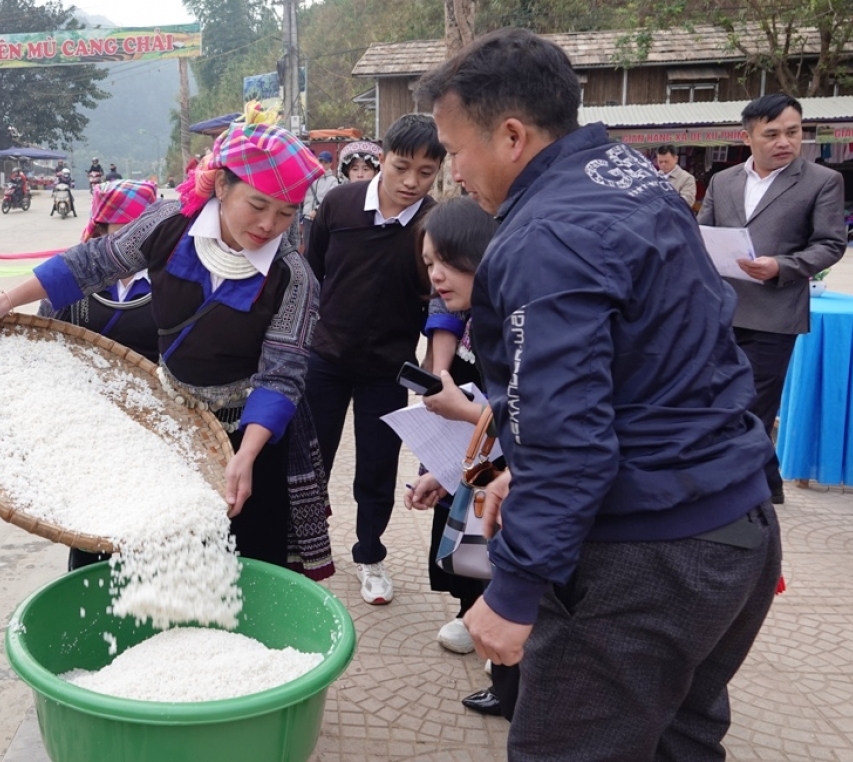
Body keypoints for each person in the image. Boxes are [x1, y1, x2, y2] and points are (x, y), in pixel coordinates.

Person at [418, 28, 781, 759]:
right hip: (737, 528)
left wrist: (515, 590)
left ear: (512, 134)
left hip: (649, 556)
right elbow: (646, 365)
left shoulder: (545, 236)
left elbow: (570, 441)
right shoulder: (630, 175)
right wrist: (511, 460)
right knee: (680, 737)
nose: (452, 173)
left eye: (455, 150)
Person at [0, 119, 335, 580]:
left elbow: (282, 372)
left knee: (239, 566)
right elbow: (92, 262)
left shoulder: (292, 276)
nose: (268, 225)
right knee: (142, 549)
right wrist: (6, 300)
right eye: (257, 205)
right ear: (221, 184)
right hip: (167, 418)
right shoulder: (171, 225)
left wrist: (247, 455)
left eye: (285, 213)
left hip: (247, 432)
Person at [305, 113, 446, 605]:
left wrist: (433, 371)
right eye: (401, 166)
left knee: (377, 466)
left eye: (425, 173)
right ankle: (306, 546)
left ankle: (370, 555)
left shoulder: (434, 224)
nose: (411, 182)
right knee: (310, 457)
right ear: (380, 157)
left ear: (439, 173)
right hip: (324, 356)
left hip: (388, 368)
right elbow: (313, 270)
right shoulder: (339, 203)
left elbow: (440, 297)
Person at [403, 198, 521, 720]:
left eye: (446, 263)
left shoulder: (519, 322)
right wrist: (445, 473)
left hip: (528, 481)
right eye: (429, 265)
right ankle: (508, 679)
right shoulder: (482, 314)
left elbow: (532, 430)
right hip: (492, 469)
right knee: (479, 552)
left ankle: (517, 679)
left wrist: (466, 414)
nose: (436, 277)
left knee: (509, 561)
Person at [698, 94, 846, 504]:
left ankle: (737, 494)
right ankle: (766, 486)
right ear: (748, 137)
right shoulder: (723, 181)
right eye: (772, 133)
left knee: (753, 405)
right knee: (719, 398)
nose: (785, 141)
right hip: (722, 310)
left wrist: (782, 265)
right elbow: (701, 233)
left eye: (793, 132)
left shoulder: (822, 181)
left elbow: (831, 244)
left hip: (773, 312)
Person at [39, 179, 161, 569]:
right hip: (92, 424)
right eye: (119, 228)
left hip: (157, 425)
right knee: (94, 524)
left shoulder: (171, 280)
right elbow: (45, 344)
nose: (130, 240)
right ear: (102, 229)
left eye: (140, 229)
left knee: (152, 519)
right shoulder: (72, 282)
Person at [40, 180, 162, 364]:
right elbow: (43, 337)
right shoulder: (74, 274)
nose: (133, 243)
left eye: (142, 233)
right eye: (123, 233)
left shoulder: (170, 281)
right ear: (100, 232)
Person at [300, 150, 339, 251]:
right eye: (320, 161)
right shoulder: (311, 177)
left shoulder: (333, 180)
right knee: (307, 247)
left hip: (321, 218)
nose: (322, 164)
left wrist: (317, 210)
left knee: (320, 246)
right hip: (307, 217)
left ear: (330, 163)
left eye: (325, 162)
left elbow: (331, 199)